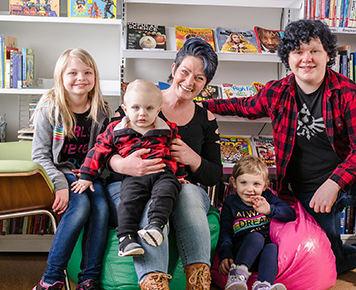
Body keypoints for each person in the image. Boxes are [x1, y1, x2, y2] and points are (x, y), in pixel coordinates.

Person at [202, 19, 356, 288]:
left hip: (347, 179)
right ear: (288, 57)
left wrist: (334, 182)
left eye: (314, 51)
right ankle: (353, 255)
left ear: (328, 54)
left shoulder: (348, 92)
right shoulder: (278, 92)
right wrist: (196, 103)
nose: (306, 59)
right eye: (298, 51)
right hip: (307, 189)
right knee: (326, 258)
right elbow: (243, 105)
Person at [106, 37, 223, 289]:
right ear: (173, 69)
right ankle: (155, 283)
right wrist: (122, 165)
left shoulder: (206, 118)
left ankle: (199, 283)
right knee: (149, 199)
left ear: (207, 84)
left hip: (178, 187)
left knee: (189, 192)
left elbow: (214, 175)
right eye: (185, 72)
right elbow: (101, 150)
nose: (189, 82)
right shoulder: (138, 101)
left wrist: (192, 159)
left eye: (199, 78)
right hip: (129, 185)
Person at [71, 79, 187, 258]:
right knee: (129, 201)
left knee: (167, 192)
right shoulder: (116, 130)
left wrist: (179, 175)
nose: (142, 114)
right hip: (133, 178)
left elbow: (175, 153)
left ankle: (155, 225)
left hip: (162, 175)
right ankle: (126, 238)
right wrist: (86, 176)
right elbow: (98, 151)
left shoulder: (168, 129)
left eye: (149, 109)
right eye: (136, 108)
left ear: (158, 110)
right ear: (125, 109)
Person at [31, 48, 110, 290]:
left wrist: (89, 175)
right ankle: (50, 278)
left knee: (102, 207)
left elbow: (105, 153)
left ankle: (89, 279)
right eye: (73, 72)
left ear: (95, 76)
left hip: (90, 175)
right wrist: (61, 184)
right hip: (60, 174)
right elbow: (40, 156)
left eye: (88, 72)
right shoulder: (49, 109)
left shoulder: (102, 111)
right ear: (61, 76)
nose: (81, 78)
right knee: (81, 207)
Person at [218, 155, 296, 290]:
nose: (250, 189)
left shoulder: (267, 197)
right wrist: (226, 254)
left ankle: (263, 285)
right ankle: (236, 277)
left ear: (265, 185)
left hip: (263, 257)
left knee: (272, 247)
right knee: (256, 236)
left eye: (256, 184)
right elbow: (225, 231)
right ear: (233, 182)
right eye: (243, 183)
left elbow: (290, 213)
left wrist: (270, 210)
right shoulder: (230, 202)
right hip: (242, 252)